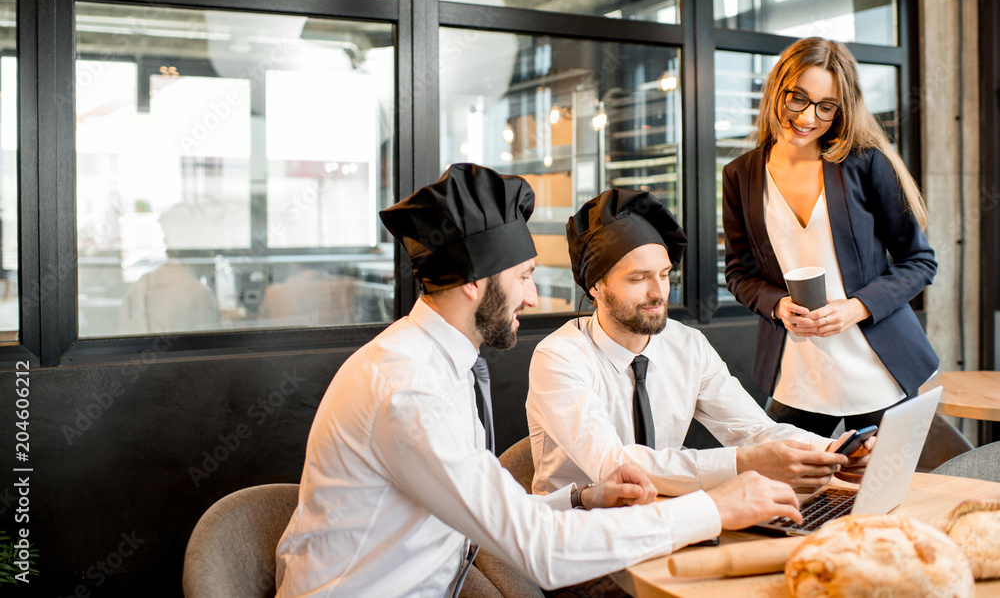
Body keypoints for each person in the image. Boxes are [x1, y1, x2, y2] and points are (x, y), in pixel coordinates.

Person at [275, 163, 803, 598]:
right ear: (475, 283)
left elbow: (486, 514)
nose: (532, 298)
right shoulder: (410, 388)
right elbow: (543, 553)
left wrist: (581, 500)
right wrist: (716, 507)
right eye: (525, 277)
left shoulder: (437, 364)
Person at [528, 189, 869, 500]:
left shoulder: (687, 345)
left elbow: (753, 431)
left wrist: (835, 450)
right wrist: (743, 463)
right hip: (574, 533)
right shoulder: (558, 358)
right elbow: (614, 464)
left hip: (664, 516)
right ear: (595, 287)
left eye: (664, 275)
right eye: (638, 278)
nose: (658, 293)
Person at [722, 36, 938, 436]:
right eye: (797, 98)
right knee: (783, 493)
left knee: (886, 493)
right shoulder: (740, 176)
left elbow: (920, 261)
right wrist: (777, 305)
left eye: (825, 107)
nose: (807, 117)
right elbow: (738, 271)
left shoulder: (865, 165)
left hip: (877, 370)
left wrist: (857, 307)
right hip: (797, 373)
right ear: (776, 90)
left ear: (841, 110)